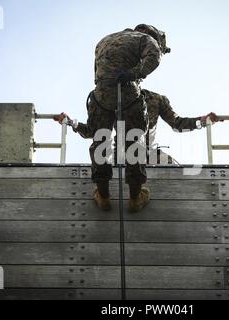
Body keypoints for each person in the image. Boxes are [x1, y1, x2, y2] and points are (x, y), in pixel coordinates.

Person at [65, 24, 169, 212]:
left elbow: (97, 73)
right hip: (129, 93)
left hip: (101, 95)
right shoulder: (145, 39)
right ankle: (135, 198)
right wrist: (134, 73)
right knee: (134, 143)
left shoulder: (103, 40)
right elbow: (154, 58)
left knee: (101, 143)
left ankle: (103, 197)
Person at [55, 90, 220, 164]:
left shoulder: (156, 100)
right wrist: (71, 122)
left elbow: (177, 124)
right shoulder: (112, 101)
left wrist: (202, 121)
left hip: (149, 152)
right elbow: (94, 131)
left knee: (173, 169)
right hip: (121, 156)